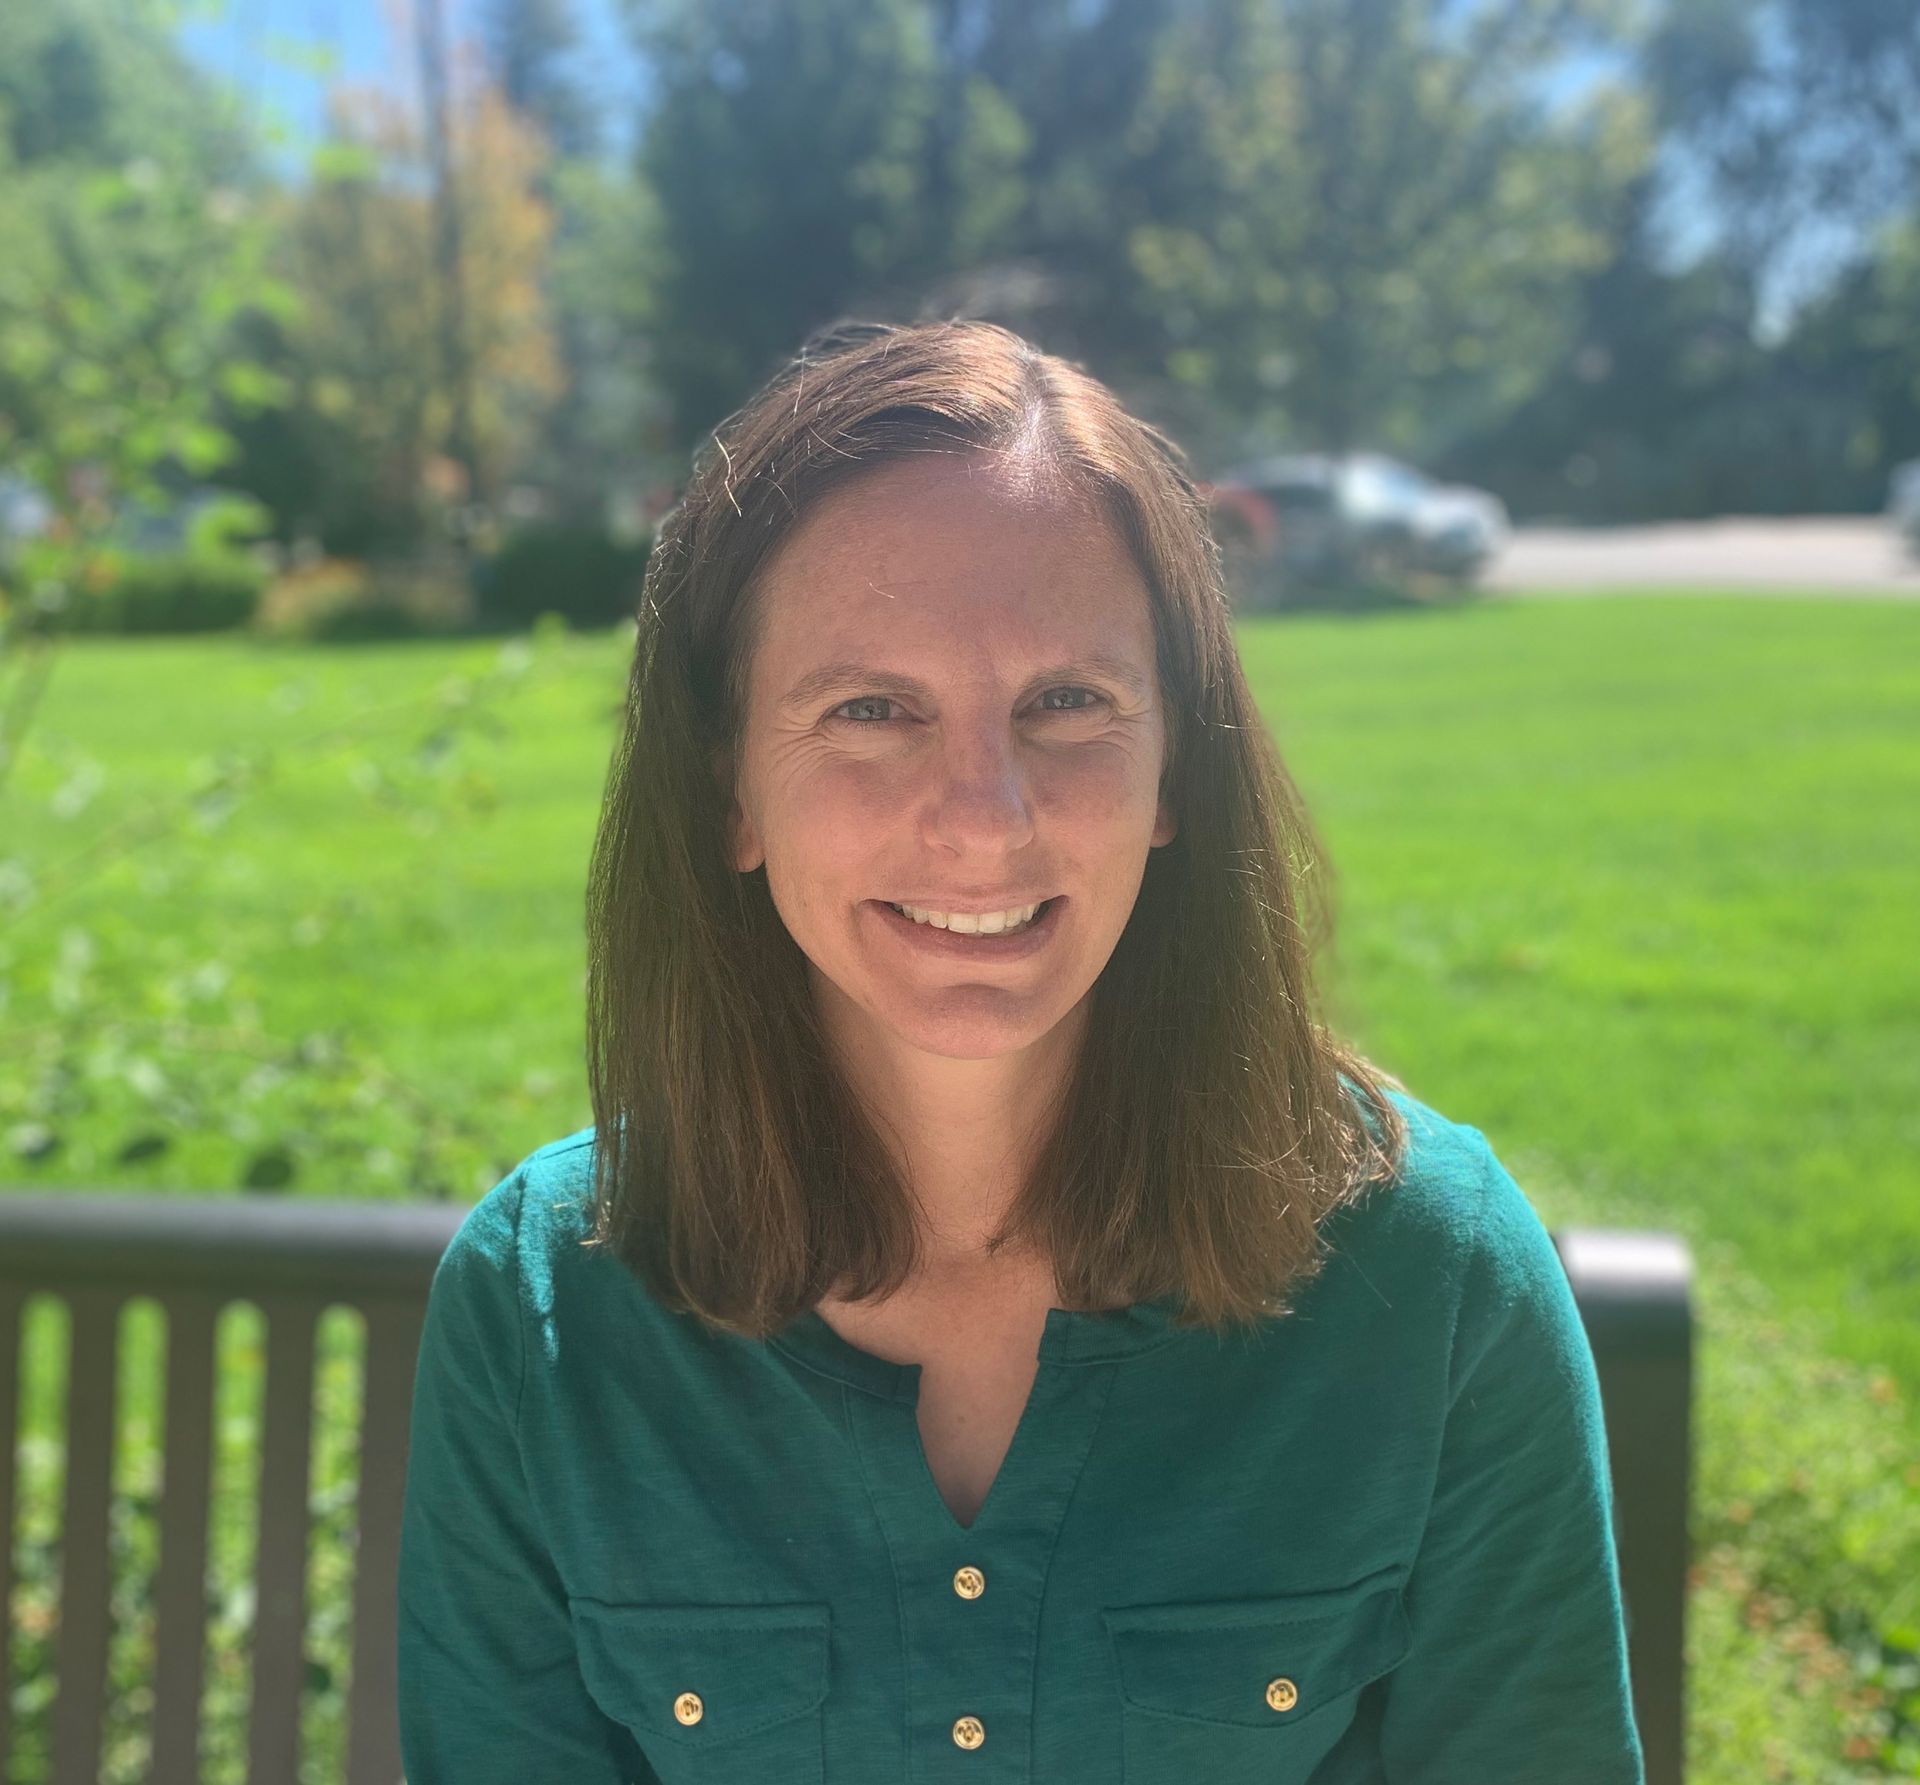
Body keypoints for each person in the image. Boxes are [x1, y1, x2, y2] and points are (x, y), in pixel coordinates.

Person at [396, 318, 1644, 1784]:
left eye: (1067, 703)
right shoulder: (541, 1310)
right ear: (727, 787)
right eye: (870, 709)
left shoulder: (1434, 1277)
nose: (984, 816)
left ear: (1177, 764)